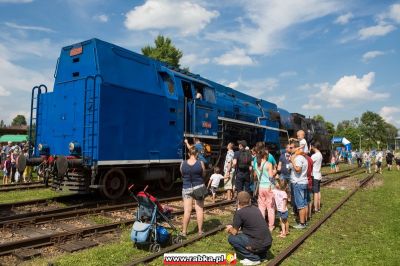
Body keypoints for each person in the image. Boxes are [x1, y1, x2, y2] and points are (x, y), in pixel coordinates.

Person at [226, 191, 272, 265]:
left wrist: (229, 229)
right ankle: (262, 256)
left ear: (238, 202)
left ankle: (254, 258)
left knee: (232, 238)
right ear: (250, 200)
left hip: (258, 245)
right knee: (248, 235)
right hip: (268, 243)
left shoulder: (239, 213)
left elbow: (234, 232)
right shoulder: (256, 208)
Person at [180, 146, 206, 236]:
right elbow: (203, 174)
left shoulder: (183, 164)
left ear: (188, 153)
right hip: (198, 187)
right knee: (199, 209)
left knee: (187, 210)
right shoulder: (201, 163)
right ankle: (200, 231)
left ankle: (184, 232)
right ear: (197, 154)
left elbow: (182, 174)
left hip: (186, 188)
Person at [253, 149, 275, 232]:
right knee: (270, 207)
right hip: (269, 187)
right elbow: (271, 178)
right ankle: (271, 226)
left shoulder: (256, 164)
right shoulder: (268, 164)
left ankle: (261, 225)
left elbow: (255, 176)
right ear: (265, 156)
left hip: (261, 187)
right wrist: (274, 185)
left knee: (261, 207)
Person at [289, 142, 309, 229]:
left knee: (300, 204)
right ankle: (304, 221)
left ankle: (302, 224)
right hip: (303, 182)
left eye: (291, 147)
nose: (290, 149)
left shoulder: (298, 158)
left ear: (297, 148)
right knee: (304, 203)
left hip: (298, 183)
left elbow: (298, 170)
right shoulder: (303, 157)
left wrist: (292, 160)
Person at [311, 142, 323, 213]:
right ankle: (318, 206)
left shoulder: (314, 155)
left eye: (312, 146)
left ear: (314, 146)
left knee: (315, 192)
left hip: (314, 175)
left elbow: (309, 163)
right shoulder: (320, 154)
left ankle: (315, 207)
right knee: (318, 191)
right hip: (318, 174)